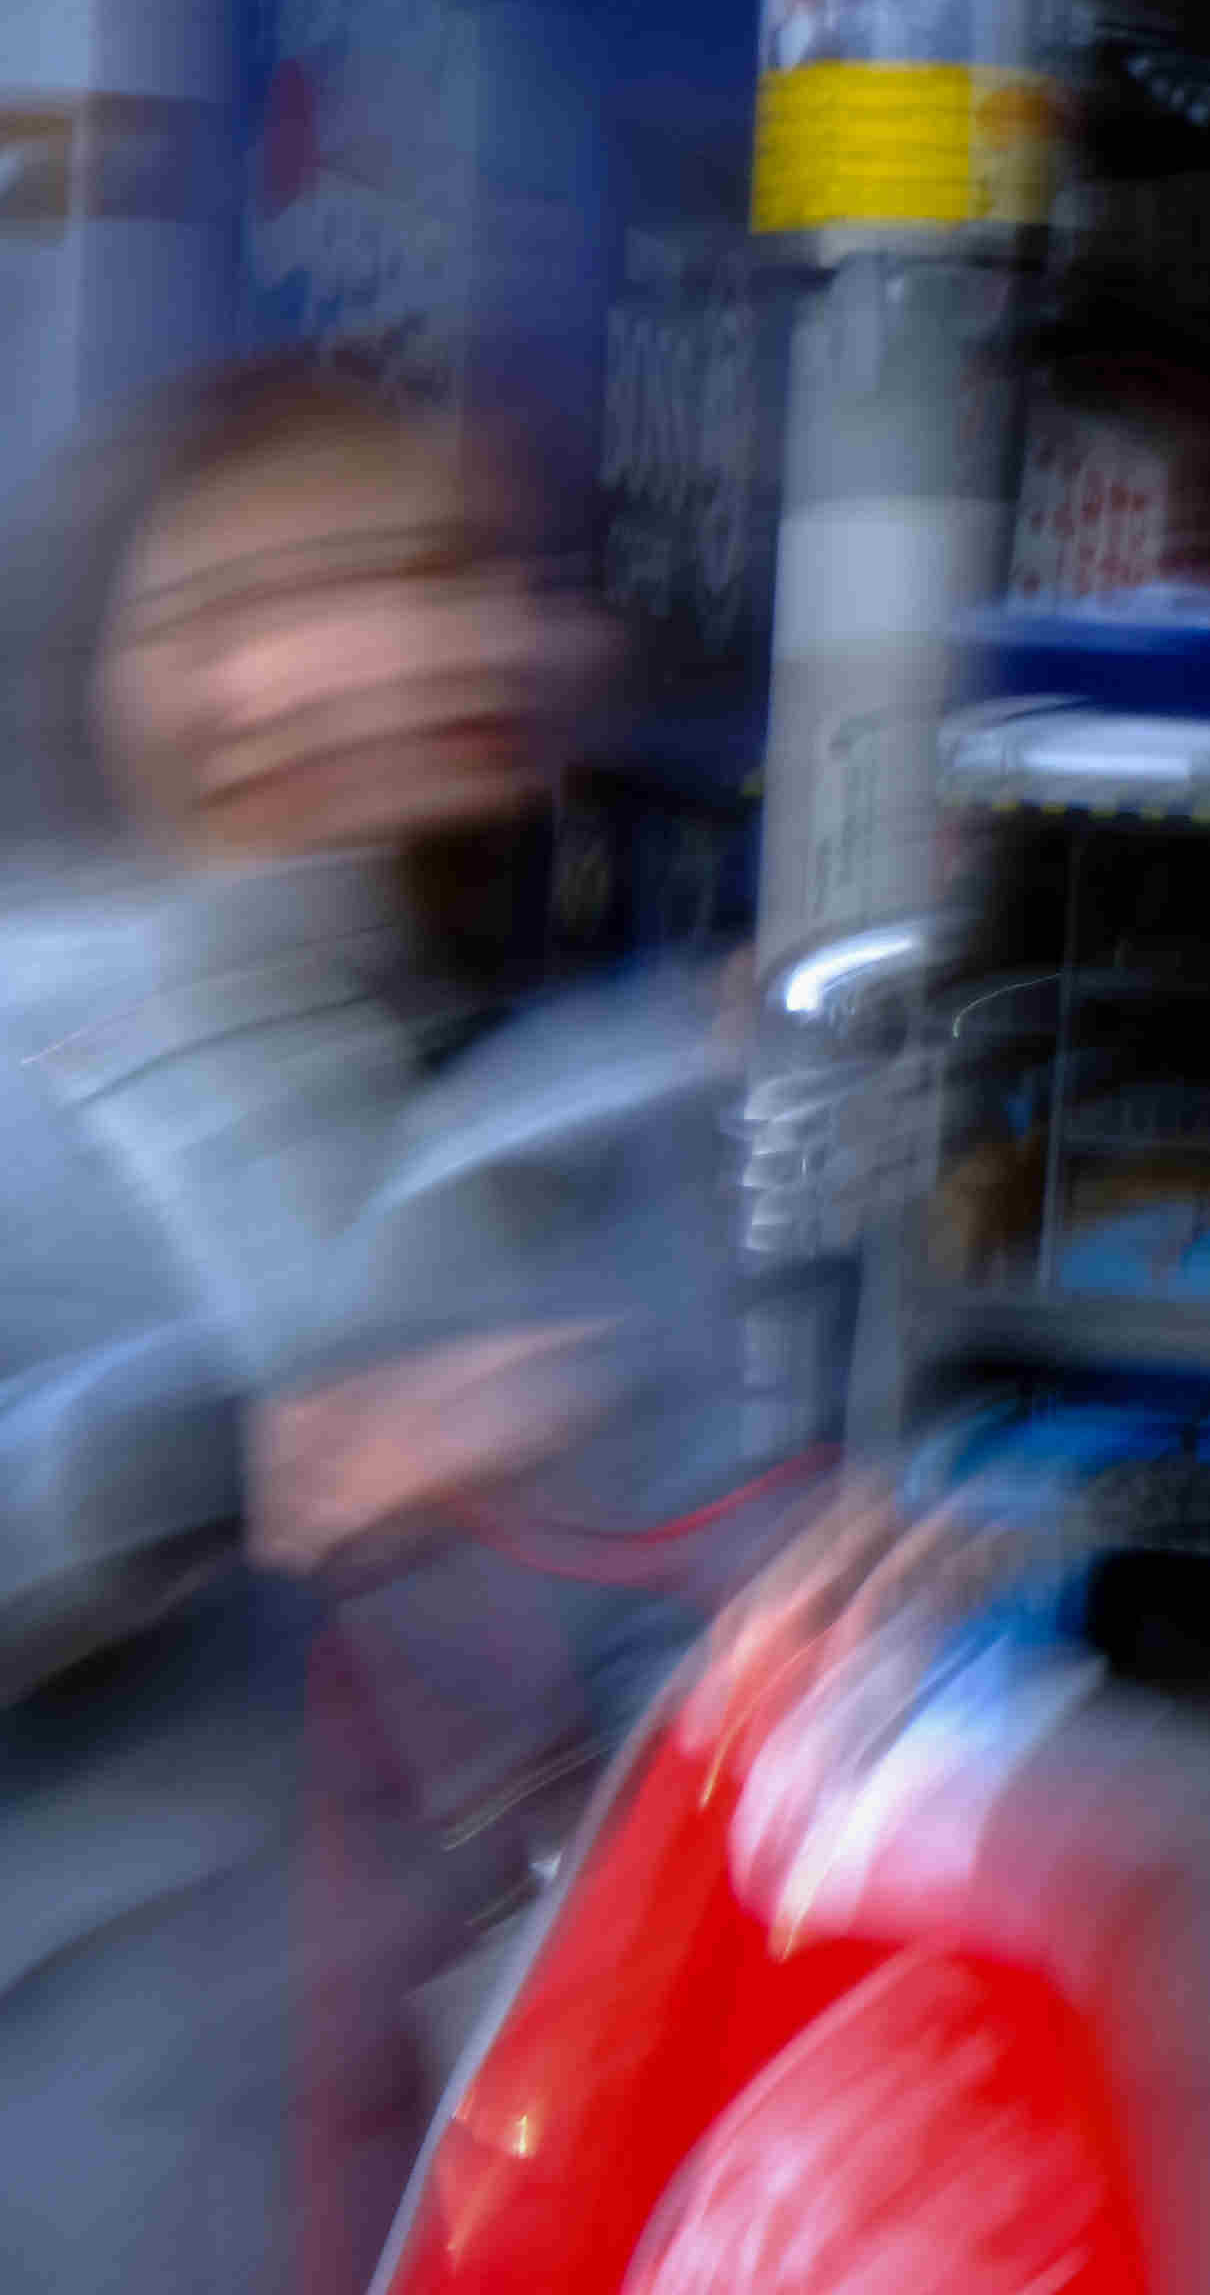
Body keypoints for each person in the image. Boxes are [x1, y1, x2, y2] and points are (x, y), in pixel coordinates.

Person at [0, 355, 707, 2294]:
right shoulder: (31, 1065)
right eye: (346, 585)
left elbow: (608, 1632)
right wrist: (210, 1459)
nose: (449, 638)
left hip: (424, 2176)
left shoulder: (556, 1103)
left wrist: (778, 1627)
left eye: (467, 574)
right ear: (181, 675)